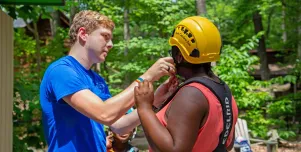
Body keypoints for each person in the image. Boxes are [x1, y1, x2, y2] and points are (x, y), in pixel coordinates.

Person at [39, 10, 176, 152]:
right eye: (105, 36)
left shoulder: (97, 80)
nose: (111, 44)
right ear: (83, 34)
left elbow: (119, 125)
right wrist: (149, 76)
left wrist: (155, 101)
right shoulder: (61, 71)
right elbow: (104, 114)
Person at [134, 16, 239, 152]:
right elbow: (227, 143)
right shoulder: (224, 91)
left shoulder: (192, 94)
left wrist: (144, 107)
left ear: (179, 55)